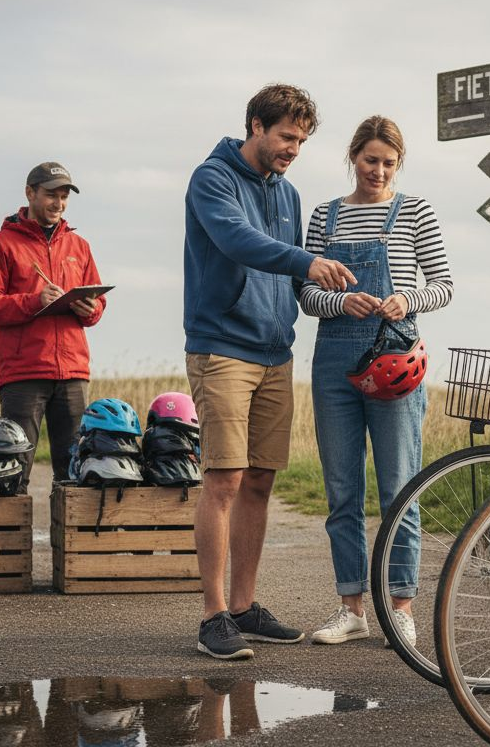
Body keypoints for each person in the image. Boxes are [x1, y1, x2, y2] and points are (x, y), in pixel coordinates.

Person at [184, 84, 357, 660]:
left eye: (303, 140)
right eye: (287, 136)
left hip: (274, 351)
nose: (294, 149)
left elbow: (293, 277)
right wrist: (307, 260)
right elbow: (238, 242)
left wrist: (336, 291)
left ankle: (244, 607)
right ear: (256, 125)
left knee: (260, 480)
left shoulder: (290, 194)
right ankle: (212, 618)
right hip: (223, 348)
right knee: (224, 479)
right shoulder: (212, 179)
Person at [298, 116, 454, 645]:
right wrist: (342, 300)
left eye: (388, 163)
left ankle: (401, 608)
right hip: (335, 360)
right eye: (370, 161)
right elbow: (307, 296)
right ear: (353, 159)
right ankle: (351, 609)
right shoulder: (326, 216)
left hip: (395, 357)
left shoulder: (415, 212)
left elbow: (445, 285)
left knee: (399, 490)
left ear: (398, 164)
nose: (379, 171)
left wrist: (408, 299)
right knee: (342, 491)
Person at [0, 162, 105, 484]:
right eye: (50, 195)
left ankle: (69, 537)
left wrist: (89, 308)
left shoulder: (79, 246)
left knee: (74, 472)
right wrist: (35, 301)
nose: (57, 203)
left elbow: (98, 306)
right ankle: (12, 535)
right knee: (13, 470)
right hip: (23, 374)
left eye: (63, 197)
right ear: (30, 193)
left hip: (73, 374)